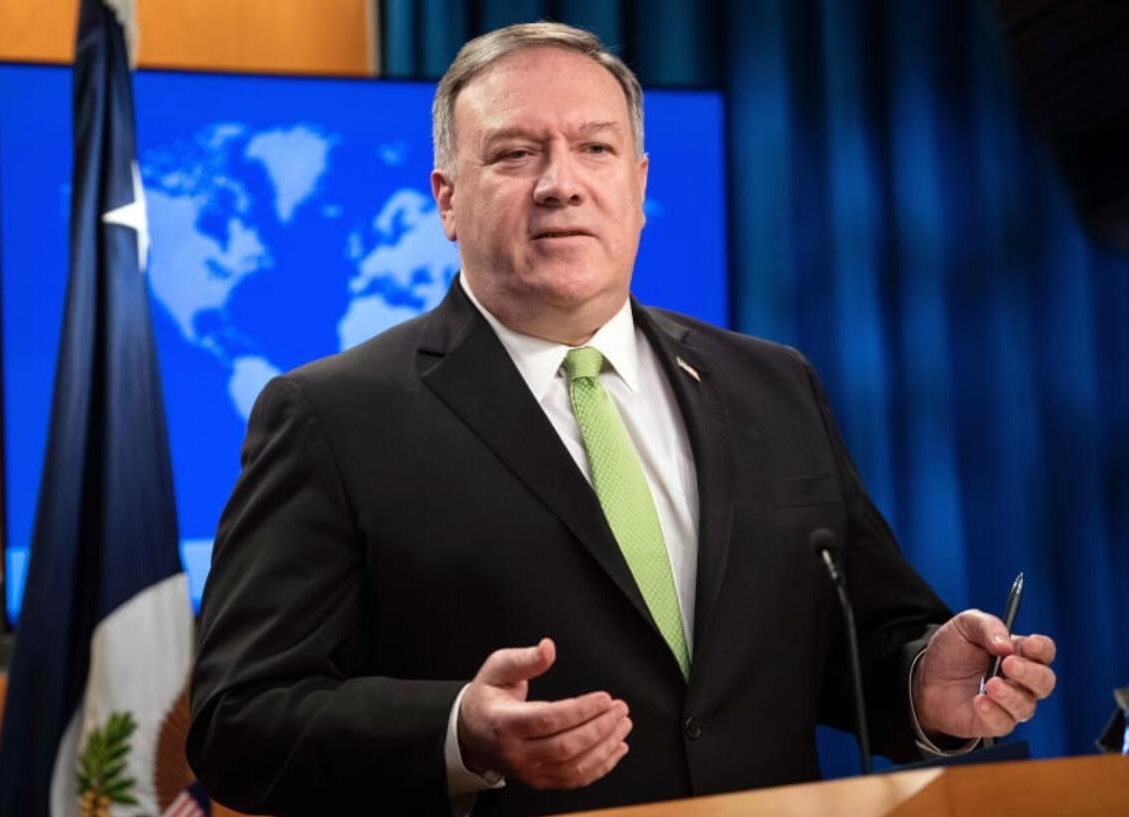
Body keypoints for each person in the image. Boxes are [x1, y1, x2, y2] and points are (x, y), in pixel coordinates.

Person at [187, 22, 1056, 817]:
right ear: (447, 200)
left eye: (594, 148)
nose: (560, 185)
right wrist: (458, 729)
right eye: (516, 153)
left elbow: (858, 638)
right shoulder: (333, 414)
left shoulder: (772, 384)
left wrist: (920, 684)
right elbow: (240, 716)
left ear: (637, 186)